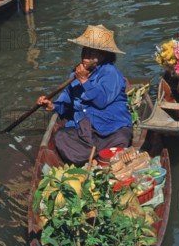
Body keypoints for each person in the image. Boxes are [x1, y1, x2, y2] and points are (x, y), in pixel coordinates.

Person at [37, 24, 133, 166]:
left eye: (91, 53)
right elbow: (66, 102)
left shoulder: (110, 73)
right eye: (85, 51)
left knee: (121, 137)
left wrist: (84, 81)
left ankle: (98, 157)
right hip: (84, 131)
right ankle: (98, 158)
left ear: (102, 56)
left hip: (110, 128)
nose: (85, 56)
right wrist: (52, 106)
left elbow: (101, 101)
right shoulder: (75, 75)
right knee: (61, 136)